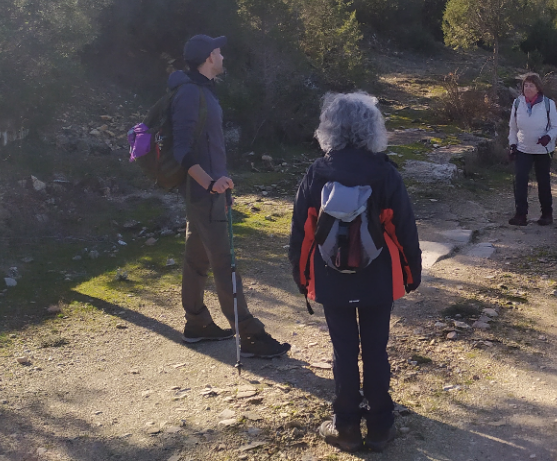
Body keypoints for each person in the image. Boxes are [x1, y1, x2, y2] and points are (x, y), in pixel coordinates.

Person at [289, 93, 422, 453]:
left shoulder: (317, 173)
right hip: (378, 279)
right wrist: (412, 273)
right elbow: (403, 229)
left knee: (343, 351)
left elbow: (303, 231)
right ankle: (380, 426)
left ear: (329, 128)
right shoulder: (385, 172)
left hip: (331, 280)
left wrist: (302, 278)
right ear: (371, 128)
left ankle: (346, 425)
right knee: (376, 349)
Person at [170, 34, 291, 357]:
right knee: (226, 263)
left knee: (196, 261)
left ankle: (196, 324)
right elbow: (180, 149)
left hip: (207, 194)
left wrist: (217, 183)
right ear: (210, 57)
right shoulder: (190, 94)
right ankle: (250, 335)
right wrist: (211, 184)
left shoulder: (202, 91)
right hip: (204, 194)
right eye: (219, 51)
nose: (223, 56)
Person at [507, 73, 557, 226]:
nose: (528, 88)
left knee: (543, 182)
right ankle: (520, 214)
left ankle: (546, 214)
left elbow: (556, 127)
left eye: (531, 85)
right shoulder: (517, 103)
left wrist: (548, 137)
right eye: (526, 85)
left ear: (538, 87)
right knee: (520, 181)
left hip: (543, 150)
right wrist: (512, 145)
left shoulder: (548, 104)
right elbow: (513, 127)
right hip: (523, 148)